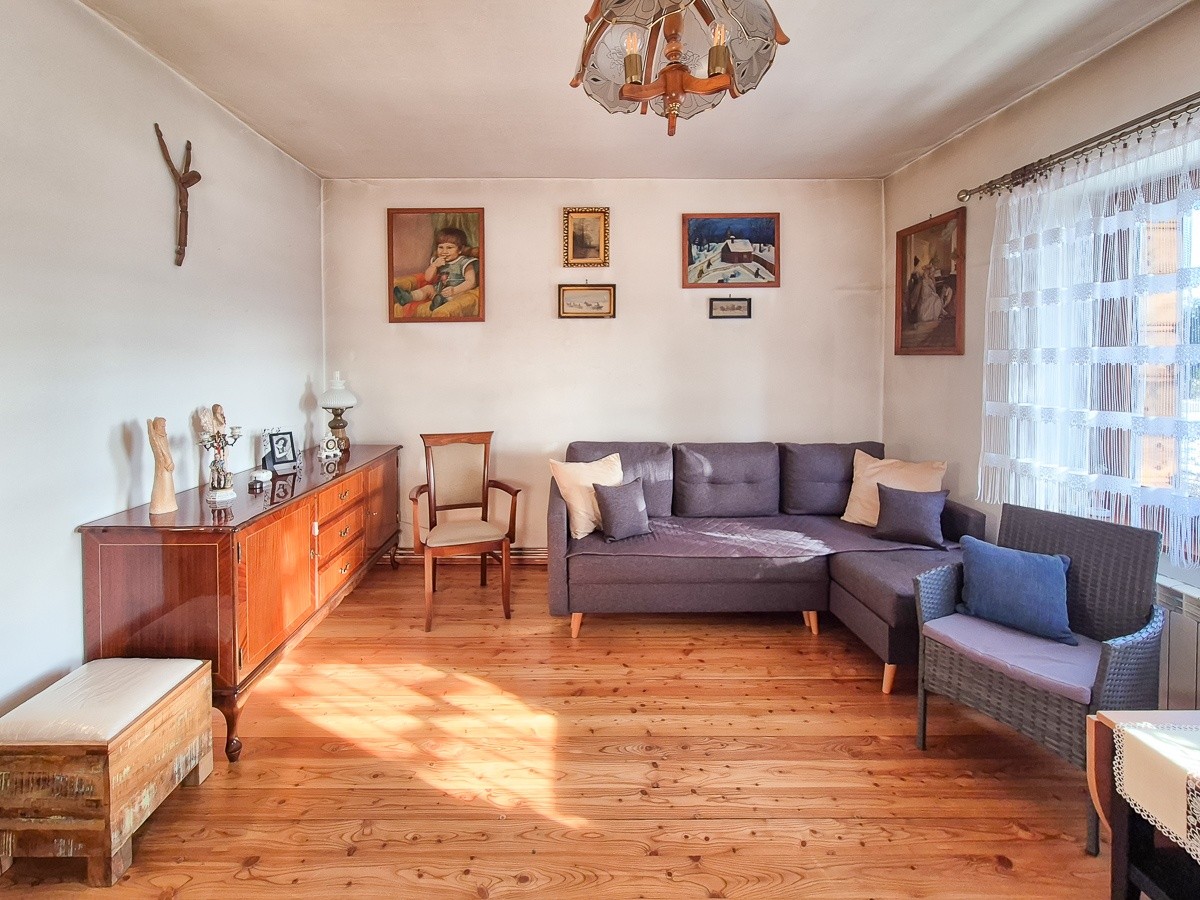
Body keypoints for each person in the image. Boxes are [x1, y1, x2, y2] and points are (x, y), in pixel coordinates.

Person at [393, 227, 479, 314]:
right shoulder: (437, 261)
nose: (444, 251)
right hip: (438, 291)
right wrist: (434, 266)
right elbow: (428, 278)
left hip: (457, 292)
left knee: (458, 296)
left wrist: (454, 290)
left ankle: (441, 302)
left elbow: (471, 282)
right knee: (428, 288)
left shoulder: (464, 262)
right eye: (441, 247)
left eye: (449, 247)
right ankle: (409, 297)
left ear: (460, 249)